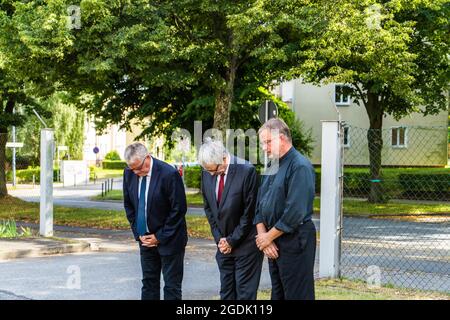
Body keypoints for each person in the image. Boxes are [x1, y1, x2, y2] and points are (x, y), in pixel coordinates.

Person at [254, 118, 317, 300]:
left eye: (267, 142)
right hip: (272, 240)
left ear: (282, 138)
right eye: (262, 143)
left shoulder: (300, 166)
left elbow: (295, 212)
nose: (264, 148)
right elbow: (259, 205)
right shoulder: (271, 165)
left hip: (295, 240)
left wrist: (267, 238)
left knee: (297, 295)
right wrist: (263, 238)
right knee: (278, 295)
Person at [198, 138, 263, 300]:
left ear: (224, 158)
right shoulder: (207, 172)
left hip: (246, 245)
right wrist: (220, 240)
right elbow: (209, 209)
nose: (211, 174)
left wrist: (232, 241)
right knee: (226, 293)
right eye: (208, 171)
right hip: (223, 247)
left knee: (244, 295)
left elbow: (250, 213)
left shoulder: (246, 171)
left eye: (215, 170)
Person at [123, 142, 188, 300]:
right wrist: (138, 233)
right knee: (149, 283)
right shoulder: (129, 173)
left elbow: (178, 209)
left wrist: (159, 237)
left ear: (147, 157)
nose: (136, 173)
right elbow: (129, 206)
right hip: (145, 240)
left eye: (139, 168)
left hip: (170, 240)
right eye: (133, 169)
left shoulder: (168, 174)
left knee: (171, 287)